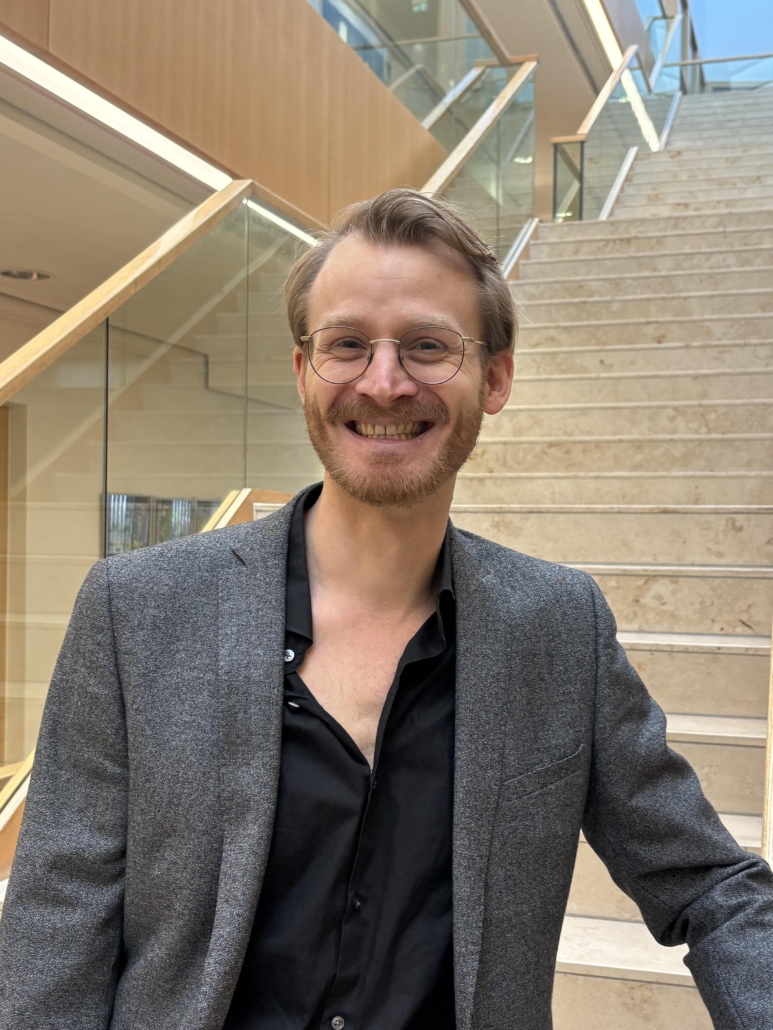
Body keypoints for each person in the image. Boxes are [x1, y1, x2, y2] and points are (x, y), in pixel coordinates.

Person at [0, 188, 771, 1030]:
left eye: (428, 346)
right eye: (347, 345)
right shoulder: (136, 610)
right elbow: (56, 928)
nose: (384, 381)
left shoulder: (558, 626)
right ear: (303, 372)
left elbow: (709, 883)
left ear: (496, 377)